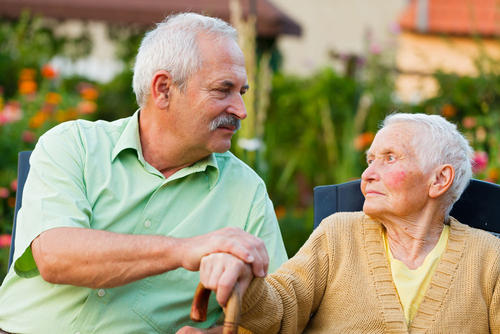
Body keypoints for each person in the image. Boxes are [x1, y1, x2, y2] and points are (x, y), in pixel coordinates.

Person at [0, 13, 287, 333]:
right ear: (163, 89)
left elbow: (281, 310)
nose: (241, 110)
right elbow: (55, 256)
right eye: (223, 90)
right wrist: (185, 250)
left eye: (241, 92)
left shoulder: (246, 191)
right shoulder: (73, 144)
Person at [187, 113, 500, 333]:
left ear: (439, 179)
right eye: (370, 160)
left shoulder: (490, 259)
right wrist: (248, 281)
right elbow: (281, 309)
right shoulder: (337, 236)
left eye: (390, 158)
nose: (367, 175)